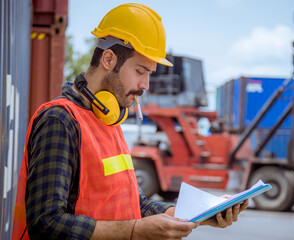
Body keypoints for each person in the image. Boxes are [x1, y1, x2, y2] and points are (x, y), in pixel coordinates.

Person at [12, 3, 248, 240]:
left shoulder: (109, 120)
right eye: (140, 71)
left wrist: (201, 214)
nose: (145, 85)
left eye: (149, 74)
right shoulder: (60, 121)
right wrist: (134, 231)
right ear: (108, 59)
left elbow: (137, 205)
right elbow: (46, 223)